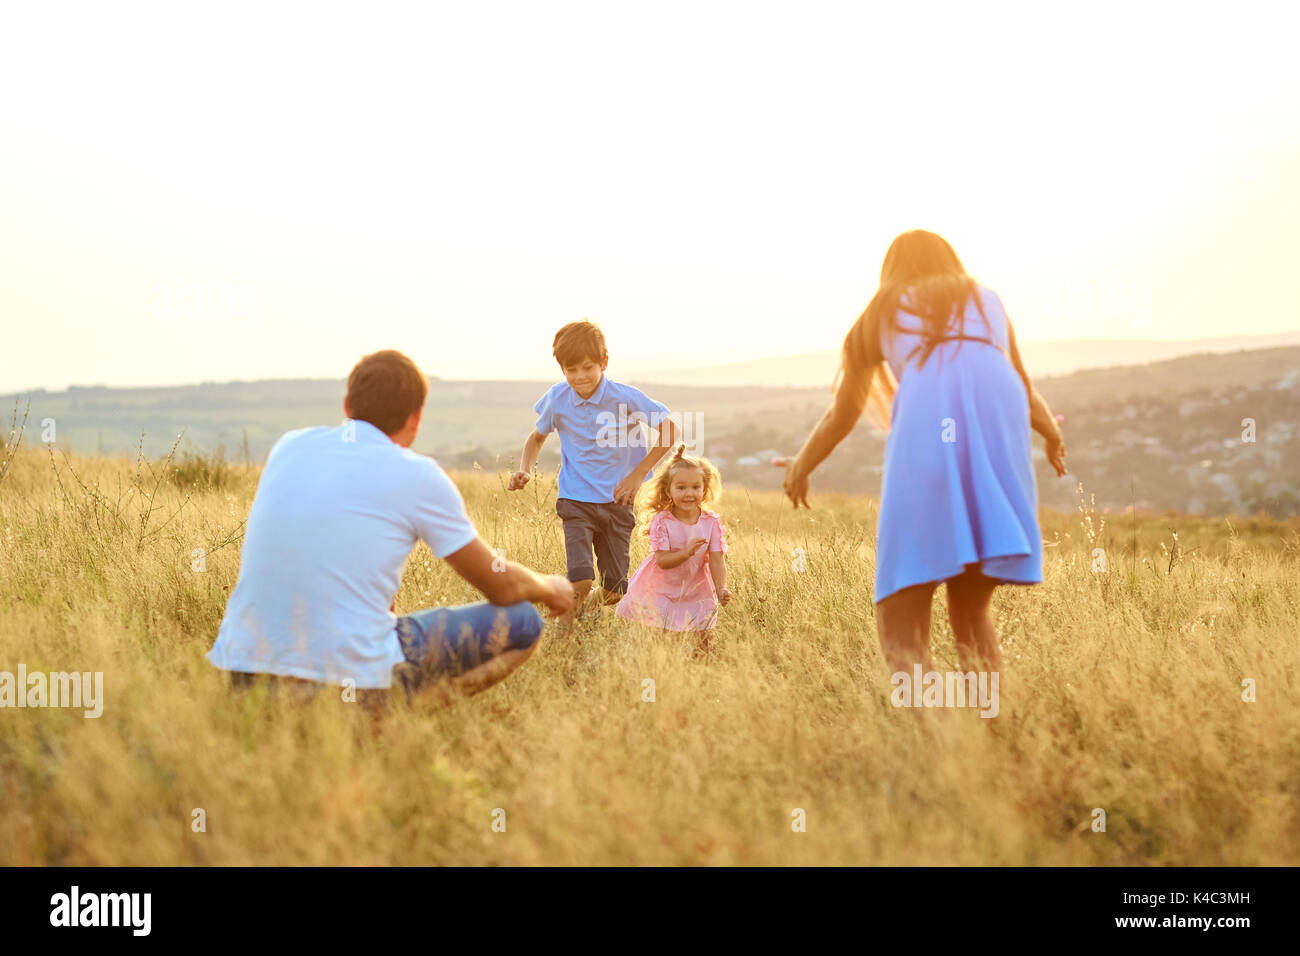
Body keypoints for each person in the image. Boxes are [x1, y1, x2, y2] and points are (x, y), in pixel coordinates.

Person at [207, 349, 574, 702]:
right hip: (351, 677)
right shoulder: (418, 475)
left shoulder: (289, 446)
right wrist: (550, 587)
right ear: (415, 419)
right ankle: (396, 715)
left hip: (244, 673)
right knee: (524, 620)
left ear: (347, 406)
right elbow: (503, 587)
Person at [780, 230, 1066, 676]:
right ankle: (986, 730)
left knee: (900, 608)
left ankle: (931, 734)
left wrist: (801, 465)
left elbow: (844, 413)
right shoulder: (986, 299)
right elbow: (1024, 389)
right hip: (1001, 446)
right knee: (971, 612)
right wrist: (1051, 435)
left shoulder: (884, 307)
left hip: (926, 437)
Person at [507, 320, 678, 631]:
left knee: (615, 591)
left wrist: (638, 475)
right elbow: (536, 438)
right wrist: (524, 470)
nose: (580, 377)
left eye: (587, 368)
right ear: (562, 370)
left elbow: (670, 430)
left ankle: (581, 609)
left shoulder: (625, 398)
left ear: (604, 362)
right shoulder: (557, 399)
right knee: (581, 578)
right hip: (575, 499)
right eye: (571, 370)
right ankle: (563, 637)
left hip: (618, 500)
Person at [615, 446, 731, 639]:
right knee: (664, 635)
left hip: (697, 587)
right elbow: (662, 561)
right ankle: (663, 665)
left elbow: (717, 560)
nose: (689, 493)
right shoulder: (663, 521)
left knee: (703, 636)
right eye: (681, 487)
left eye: (695, 487)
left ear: (704, 489)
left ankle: (701, 666)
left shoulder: (711, 523)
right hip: (662, 587)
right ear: (668, 490)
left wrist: (720, 588)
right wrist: (686, 552)